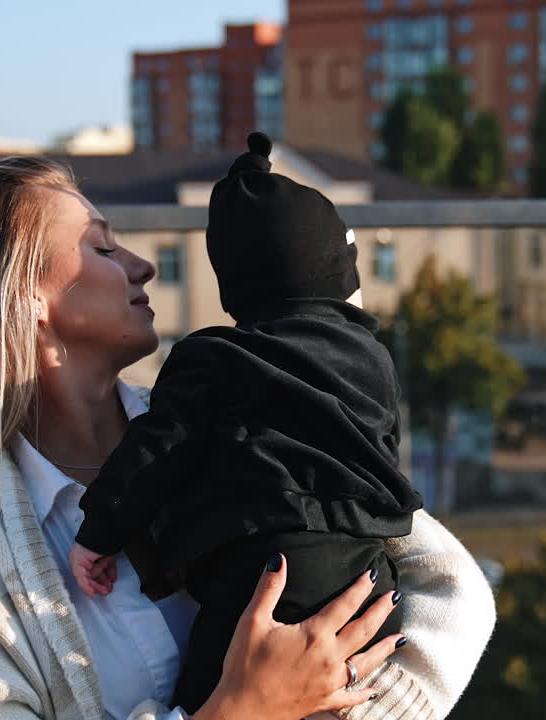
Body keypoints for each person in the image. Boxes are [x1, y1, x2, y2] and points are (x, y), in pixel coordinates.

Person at [0, 156, 496, 719]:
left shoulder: (236, 417)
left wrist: (351, 704)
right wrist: (242, 711)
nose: (142, 265)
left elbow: (451, 586)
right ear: (27, 295)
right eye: (102, 247)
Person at [68, 133, 421, 712]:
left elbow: (155, 454)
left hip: (265, 572)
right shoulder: (373, 356)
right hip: (367, 570)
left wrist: (99, 533)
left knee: (214, 688)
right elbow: (382, 455)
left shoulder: (214, 357)